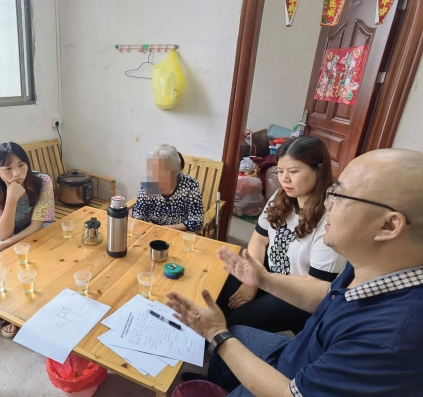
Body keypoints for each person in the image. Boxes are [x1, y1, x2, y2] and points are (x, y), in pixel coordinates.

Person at [168, 148, 423, 396]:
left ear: (388, 226)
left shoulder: (391, 337)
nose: (329, 204)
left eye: (340, 196)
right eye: (331, 193)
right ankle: (220, 385)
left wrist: (216, 335)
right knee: (234, 325)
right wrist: (263, 279)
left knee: (229, 332)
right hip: (297, 352)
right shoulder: (370, 264)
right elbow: (325, 296)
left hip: (292, 381)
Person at [216, 136, 346, 334]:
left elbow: (318, 284)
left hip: (298, 293)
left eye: (293, 171)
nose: (284, 179)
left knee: (235, 323)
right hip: (266, 273)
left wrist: (261, 280)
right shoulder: (282, 196)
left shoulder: (330, 218)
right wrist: (254, 275)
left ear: (318, 170)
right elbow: (259, 239)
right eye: (280, 171)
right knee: (218, 298)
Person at [0, 142, 55, 337]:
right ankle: (11, 311)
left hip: (38, 227)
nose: (17, 173)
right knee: (5, 262)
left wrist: (3, 244)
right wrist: (11, 198)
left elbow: (36, 226)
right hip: (8, 230)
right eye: (8, 169)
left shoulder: (42, 181)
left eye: (21, 165)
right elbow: (4, 233)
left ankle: (45, 301)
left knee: (43, 256)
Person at [132, 144, 204, 231]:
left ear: (178, 166)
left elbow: (197, 222)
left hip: (179, 233)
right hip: (151, 231)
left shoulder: (190, 185)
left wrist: (168, 229)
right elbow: (138, 216)